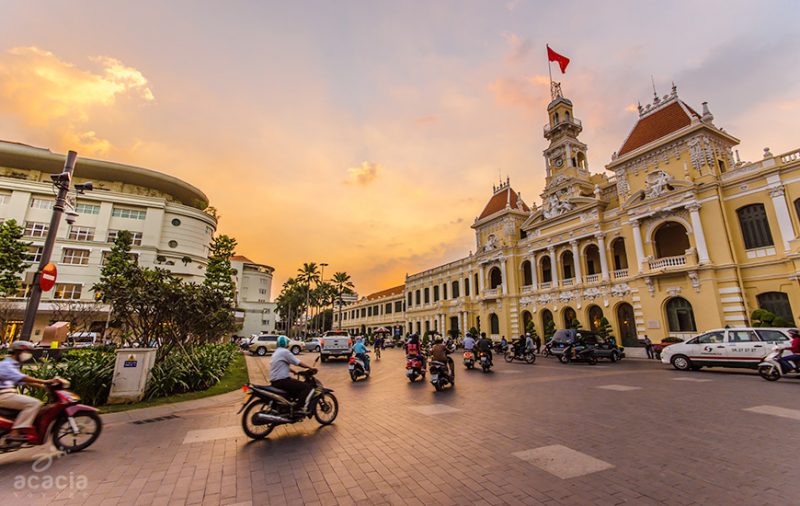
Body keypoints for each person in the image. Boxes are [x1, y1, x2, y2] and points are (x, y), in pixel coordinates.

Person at [0, 341, 58, 443]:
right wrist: (45, 381)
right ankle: (15, 432)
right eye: (25, 352)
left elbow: (20, 381)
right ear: (18, 352)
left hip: (7, 394)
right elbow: (22, 378)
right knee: (34, 404)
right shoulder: (6, 364)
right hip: (3, 395)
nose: (27, 355)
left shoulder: (13, 365)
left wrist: (43, 386)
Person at [269, 336, 317, 412]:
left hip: (275, 381)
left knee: (294, 385)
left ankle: (290, 406)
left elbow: (280, 365)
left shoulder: (276, 352)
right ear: (285, 344)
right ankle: (298, 408)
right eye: (287, 343)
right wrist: (310, 367)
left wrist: (293, 371)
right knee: (307, 387)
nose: (288, 344)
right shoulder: (285, 352)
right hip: (282, 381)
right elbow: (298, 362)